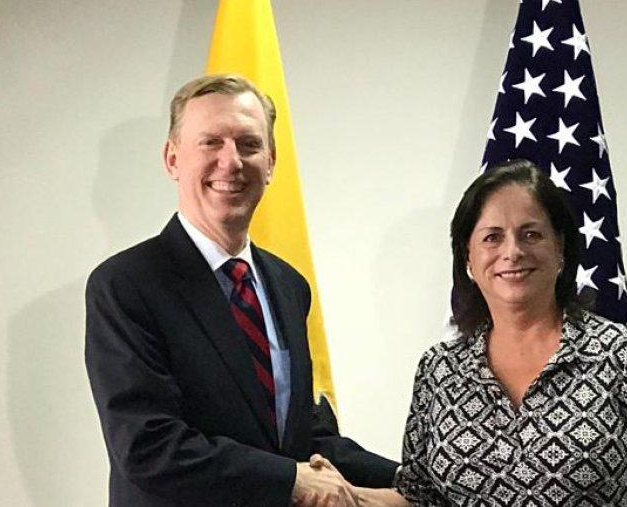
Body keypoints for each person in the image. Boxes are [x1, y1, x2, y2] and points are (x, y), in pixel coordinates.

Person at [85, 74, 398, 506]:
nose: (231, 162)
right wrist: (291, 480)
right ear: (172, 159)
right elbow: (148, 446)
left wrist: (413, 479)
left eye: (248, 144)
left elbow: (304, 435)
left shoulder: (289, 285)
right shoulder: (126, 285)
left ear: (271, 162)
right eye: (211, 142)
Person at [394, 160, 627, 506]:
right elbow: (418, 498)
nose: (512, 252)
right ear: (468, 258)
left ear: (560, 248)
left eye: (531, 234)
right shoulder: (438, 370)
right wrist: (348, 493)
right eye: (492, 237)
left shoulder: (626, 356)